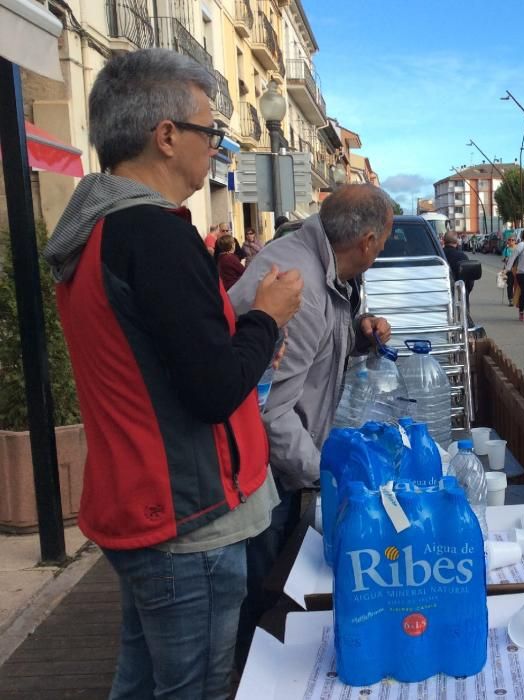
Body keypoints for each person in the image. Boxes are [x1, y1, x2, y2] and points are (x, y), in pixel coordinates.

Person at [41, 48, 303, 699]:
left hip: (140, 503)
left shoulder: (96, 231)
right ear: (166, 137)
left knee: (139, 683)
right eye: (210, 132)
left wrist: (244, 342)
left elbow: (170, 364)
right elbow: (211, 391)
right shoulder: (155, 234)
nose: (215, 148)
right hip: (187, 519)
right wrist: (266, 317)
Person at [227, 184, 393, 669]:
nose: (381, 251)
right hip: (257, 472)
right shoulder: (299, 283)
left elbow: (308, 360)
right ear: (365, 241)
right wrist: (326, 474)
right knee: (257, 604)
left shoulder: (325, 272)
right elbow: (269, 410)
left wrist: (359, 336)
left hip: (271, 466)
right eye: (382, 241)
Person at [443, 230, 474, 303]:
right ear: (457, 241)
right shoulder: (462, 256)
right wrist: (465, 291)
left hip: (442, 293)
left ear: (444, 241)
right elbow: (470, 280)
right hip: (460, 297)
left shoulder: (438, 255)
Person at [501, 237, 517, 304]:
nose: (511, 241)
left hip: (517, 269)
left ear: (515, 241)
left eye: (512, 240)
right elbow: (502, 259)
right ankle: (510, 299)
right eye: (509, 240)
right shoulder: (506, 249)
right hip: (509, 270)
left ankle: (517, 298)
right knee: (510, 284)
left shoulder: (517, 249)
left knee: (517, 285)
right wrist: (506, 259)